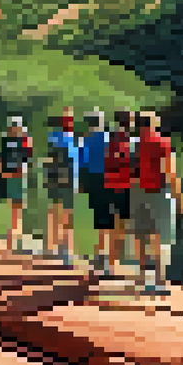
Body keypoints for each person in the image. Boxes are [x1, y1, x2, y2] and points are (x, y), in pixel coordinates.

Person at [130, 111, 183, 295]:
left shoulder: (133, 145)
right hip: (159, 192)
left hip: (137, 191)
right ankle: (158, 281)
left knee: (141, 235)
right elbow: (170, 173)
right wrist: (180, 198)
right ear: (153, 124)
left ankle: (141, 278)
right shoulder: (163, 143)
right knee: (162, 237)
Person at [98, 109, 137, 277]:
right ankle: (115, 262)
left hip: (109, 184)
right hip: (126, 186)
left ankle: (107, 260)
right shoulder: (133, 141)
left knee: (110, 224)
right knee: (122, 226)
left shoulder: (109, 138)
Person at [76, 108, 113, 274]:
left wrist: (81, 184)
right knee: (107, 218)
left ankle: (99, 253)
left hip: (92, 180)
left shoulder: (85, 140)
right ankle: (106, 256)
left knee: (98, 218)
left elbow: (81, 163)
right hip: (107, 179)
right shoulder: (108, 138)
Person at [43, 106, 79, 265]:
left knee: (61, 213)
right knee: (62, 214)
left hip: (61, 179)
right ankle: (59, 248)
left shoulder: (56, 137)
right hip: (62, 180)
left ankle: (58, 247)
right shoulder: (65, 138)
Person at [0, 115, 34, 255]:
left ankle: (14, 237)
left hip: (16, 174)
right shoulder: (14, 140)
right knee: (16, 207)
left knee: (17, 207)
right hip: (15, 175)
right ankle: (14, 238)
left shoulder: (14, 139)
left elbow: (27, 156)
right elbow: (4, 157)